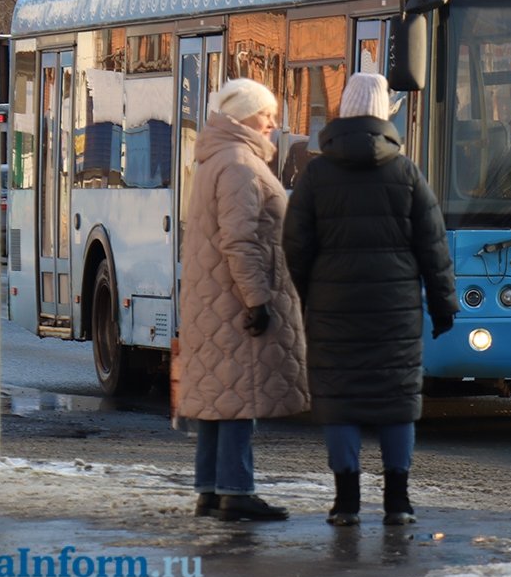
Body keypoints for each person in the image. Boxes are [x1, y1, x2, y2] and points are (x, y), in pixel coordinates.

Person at [283, 72, 458, 528]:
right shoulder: (406, 173)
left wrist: (310, 296)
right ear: (384, 114)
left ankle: (346, 503)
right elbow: (434, 248)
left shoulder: (316, 175)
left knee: (339, 401)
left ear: (344, 110)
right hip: (395, 313)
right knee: (396, 402)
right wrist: (444, 307)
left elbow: (295, 246)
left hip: (332, 309)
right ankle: (398, 502)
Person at [176, 77, 310, 522]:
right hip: (234, 301)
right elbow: (240, 240)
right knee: (237, 395)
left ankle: (211, 490)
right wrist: (257, 299)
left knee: (218, 395)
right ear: (243, 117)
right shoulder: (239, 164)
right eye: (265, 113)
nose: (272, 122)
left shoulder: (218, 158)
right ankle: (236, 490)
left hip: (214, 297)